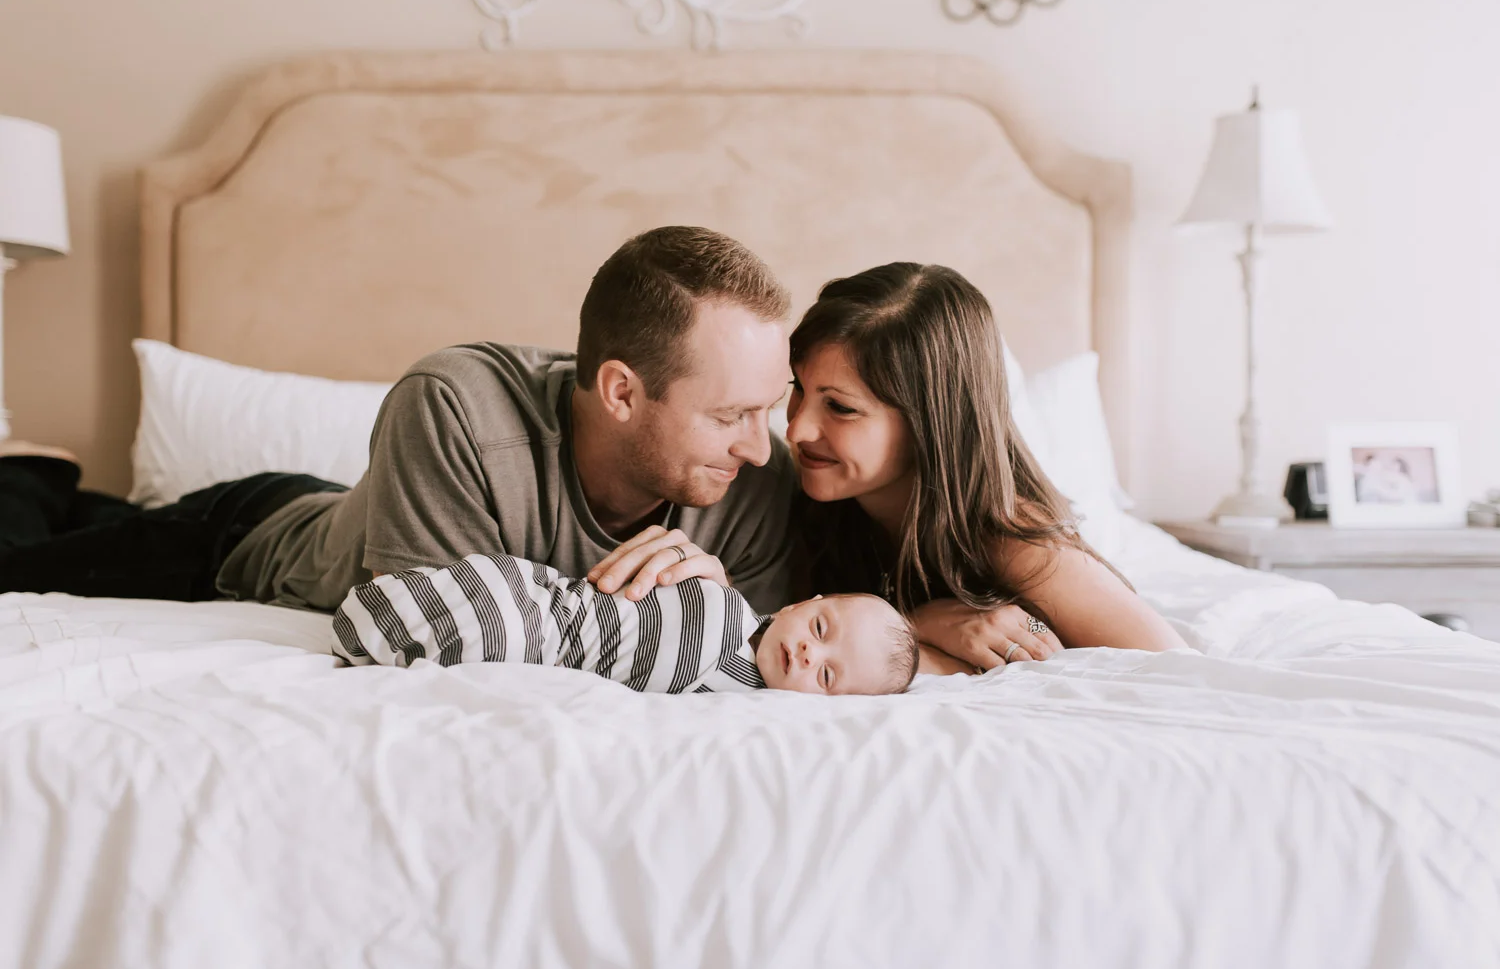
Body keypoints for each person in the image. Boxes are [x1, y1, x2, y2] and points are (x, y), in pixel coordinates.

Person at [0, 227, 799, 614]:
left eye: (770, 408)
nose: (760, 447)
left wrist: (723, 607)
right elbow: (431, 634)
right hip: (243, 538)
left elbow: (753, 656)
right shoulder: (456, 404)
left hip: (359, 508)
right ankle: (29, 471)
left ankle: (85, 502)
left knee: (99, 526)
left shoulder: (760, 480)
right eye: (731, 414)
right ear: (622, 392)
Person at [782, 263, 1186, 674]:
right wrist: (919, 623)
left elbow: (1182, 669)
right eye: (798, 387)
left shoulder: (1017, 542)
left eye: (840, 407)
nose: (796, 428)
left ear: (931, 423)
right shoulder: (790, 495)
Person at [334, 552, 918, 696]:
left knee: (487, 640)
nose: (810, 656)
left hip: (546, 650)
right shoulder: (723, 595)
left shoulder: (743, 696)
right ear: (800, 603)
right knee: (493, 602)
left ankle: (381, 634)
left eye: (827, 677)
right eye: (820, 628)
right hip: (550, 602)